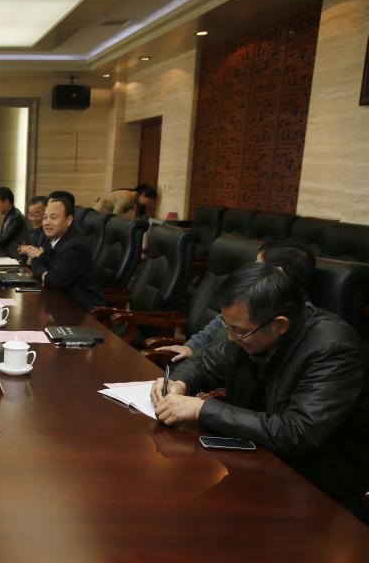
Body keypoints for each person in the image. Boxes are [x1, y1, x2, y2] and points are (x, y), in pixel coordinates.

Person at [150, 263, 369, 522]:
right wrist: (179, 383)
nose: (231, 338)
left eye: (239, 331)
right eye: (228, 327)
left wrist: (202, 409)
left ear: (280, 325)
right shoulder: (252, 332)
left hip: (319, 490)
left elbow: (297, 432)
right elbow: (205, 360)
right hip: (260, 462)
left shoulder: (333, 349)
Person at [154, 241, 316, 362]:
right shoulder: (250, 299)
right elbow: (217, 325)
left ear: (276, 273)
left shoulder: (299, 324)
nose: (250, 270)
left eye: (257, 266)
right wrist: (191, 347)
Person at [27, 191, 105, 310]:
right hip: (60, 304)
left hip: (84, 311)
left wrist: (45, 274)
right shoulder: (54, 239)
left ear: (69, 220)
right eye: (45, 217)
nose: (46, 222)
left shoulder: (75, 247)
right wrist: (45, 274)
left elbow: (54, 280)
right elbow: (36, 263)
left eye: (53, 217)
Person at [16, 195, 49, 262]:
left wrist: (27, 250)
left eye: (37, 214)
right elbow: (20, 248)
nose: (33, 218)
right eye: (30, 214)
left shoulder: (49, 233)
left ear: (46, 212)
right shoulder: (30, 229)